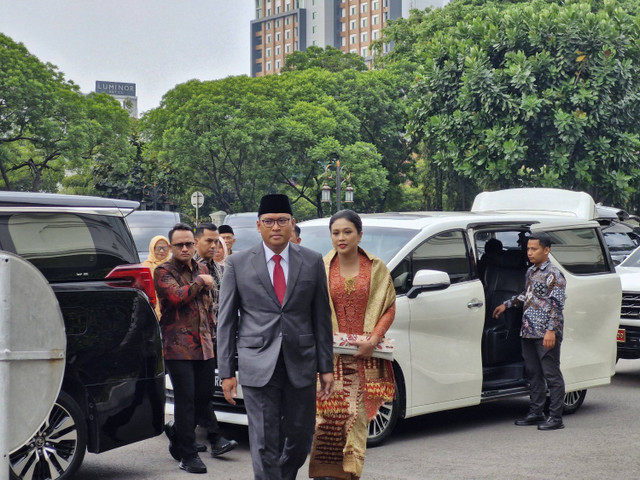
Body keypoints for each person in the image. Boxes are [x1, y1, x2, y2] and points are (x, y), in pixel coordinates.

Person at [217, 194, 334, 480]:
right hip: (257, 362)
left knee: (301, 437)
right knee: (264, 440)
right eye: (269, 222)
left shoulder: (312, 260)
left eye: (282, 221)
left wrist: (326, 367)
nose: (276, 227)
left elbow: (321, 318)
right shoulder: (239, 264)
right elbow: (226, 320)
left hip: (301, 361)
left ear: (293, 224)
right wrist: (226, 371)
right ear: (258, 226)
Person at [309, 209, 396, 480]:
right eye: (336, 233)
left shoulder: (376, 268)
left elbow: (389, 307)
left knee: (354, 419)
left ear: (360, 234)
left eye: (347, 232)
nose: (341, 238)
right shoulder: (321, 267)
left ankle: (349, 473)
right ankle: (325, 473)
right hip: (329, 359)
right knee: (326, 419)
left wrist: (373, 340)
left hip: (364, 358)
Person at [154, 223, 216, 474]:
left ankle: (177, 432)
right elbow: (178, 297)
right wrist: (201, 282)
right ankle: (188, 454)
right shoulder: (163, 271)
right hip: (178, 347)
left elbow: (207, 307)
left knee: (203, 398)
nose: (185, 248)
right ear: (171, 247)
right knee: (186, 400)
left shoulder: (200, 267)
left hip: (204, 344)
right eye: (179, 244)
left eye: (189, 243)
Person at [492, 232, 566, 431]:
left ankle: (556, 417)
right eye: (528, 249)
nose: (530, 253)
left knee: (551, 375)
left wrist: (551, 331)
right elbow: (528, 295)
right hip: (528, 331)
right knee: (533, 374)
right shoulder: (531, 271)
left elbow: (557, 305)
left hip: (545, 333)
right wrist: (507, 305)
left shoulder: (554, 274)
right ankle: (536, 412)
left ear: (546, 250)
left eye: (534, 249)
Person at [186, 222, 238, 457]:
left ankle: (178, 429)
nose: (215, 245)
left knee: (205, 390)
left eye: (217, 241)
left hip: (218, 336)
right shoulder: (188, 269)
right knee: (200, 391)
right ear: (197, 242)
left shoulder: (220, 269)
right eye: (209, 240)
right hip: (193, 339)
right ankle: (215, 437)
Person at [142, 235, 170, 319]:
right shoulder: (145, 266)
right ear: (152, 249)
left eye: (165, 248)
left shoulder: (173, 266)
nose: (161, 251)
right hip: (152, 304)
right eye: (158, 248)